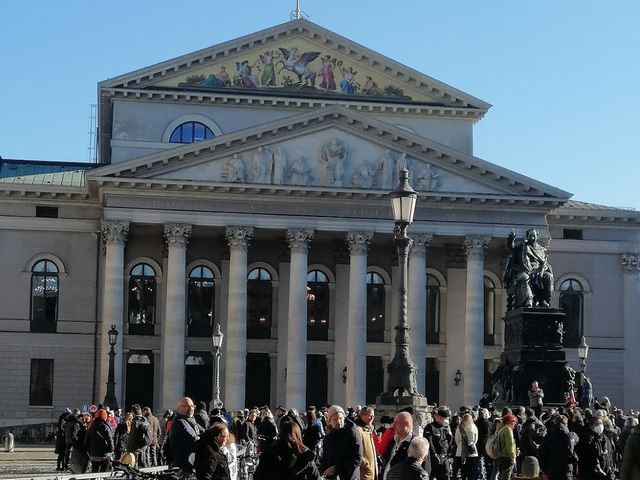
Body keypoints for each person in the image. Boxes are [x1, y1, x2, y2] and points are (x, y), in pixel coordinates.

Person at [504, 228, 554, 309]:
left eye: (534, 236)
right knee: (524, 277)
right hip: (524, 269)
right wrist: (511, 239)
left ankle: (544, 300)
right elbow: (512, 248)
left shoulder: (541, 249)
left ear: (537, 236)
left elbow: (544, 263)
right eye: (530, 236)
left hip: (538, 270)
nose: (532, 238)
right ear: (527, 237)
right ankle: (529, 301)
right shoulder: (522, 246)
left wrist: (543, 268)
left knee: (548, 276)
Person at [254, 421, 322, 480]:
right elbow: (315, 477)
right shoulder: (306, 455)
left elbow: (258, 476)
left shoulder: (268, 454)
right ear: (298, 435)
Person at [320, 405, 363, 480]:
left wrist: (337, 468)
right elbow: (325, 458)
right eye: (335, 419)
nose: (339, 422)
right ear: (330, 421)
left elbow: (357, 458)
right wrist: (324, 472)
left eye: (340, 418)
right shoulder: (328, 437)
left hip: (350, 476)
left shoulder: (352, 432)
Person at [383, 411, 424, 480]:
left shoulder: (416, 443)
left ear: (407, 424)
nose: (393, 425)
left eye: (397, 423)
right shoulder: (394, 440)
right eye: (394, 423)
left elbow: (422, 470)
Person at [170, 396, 205, 474]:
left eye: (192, 406)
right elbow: (193, 439)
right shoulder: (179, 422)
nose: (190, 408)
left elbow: (204, 432)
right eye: (186, 406)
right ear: (178, 409)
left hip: (191, 463)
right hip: (183, 466)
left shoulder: (191, 420)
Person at [539, 415, 576, 480]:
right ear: (566, 424)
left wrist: (545, 470)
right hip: (566, 469)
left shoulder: (548, 437)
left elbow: (542, 454)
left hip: (552, 470)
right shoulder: (570, 436)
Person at [424, 407, 453, 480]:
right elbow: (429, 443)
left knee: (446, 477)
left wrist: (450, 434)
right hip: (433, 459)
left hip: (444, 458)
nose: (446, 420)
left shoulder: (445, 428)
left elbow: (449, 443)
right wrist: (435, 455)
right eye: (444, 418)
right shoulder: (430, 427)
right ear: (439, 417)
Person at [355, 406, 378, 480]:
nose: (372, 418)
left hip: (371, 470)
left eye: (373, 416)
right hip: (364, 472)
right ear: (363, 415)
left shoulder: (368, 429)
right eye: (370, 416)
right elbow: (355, 451)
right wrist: (365, 463)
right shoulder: (358, 430)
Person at [454, 413, 480, 480]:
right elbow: (476, 439)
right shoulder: (474, 427)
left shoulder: (459, 427)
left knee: (463, 469)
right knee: (471, 469)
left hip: (461, 451)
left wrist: (460, 445)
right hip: (472, 451)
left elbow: (456, 439)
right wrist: (471, 444)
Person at [495, 414, 517, 480]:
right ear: (508, 422)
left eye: (515, 421)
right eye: (513, 421)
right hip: (507, 456)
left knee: (501, 475)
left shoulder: (501, 428)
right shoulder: (508, 430)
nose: (514, 423)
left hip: (501, 456)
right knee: (506, 476)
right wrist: (513, 457)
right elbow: (509, 445)